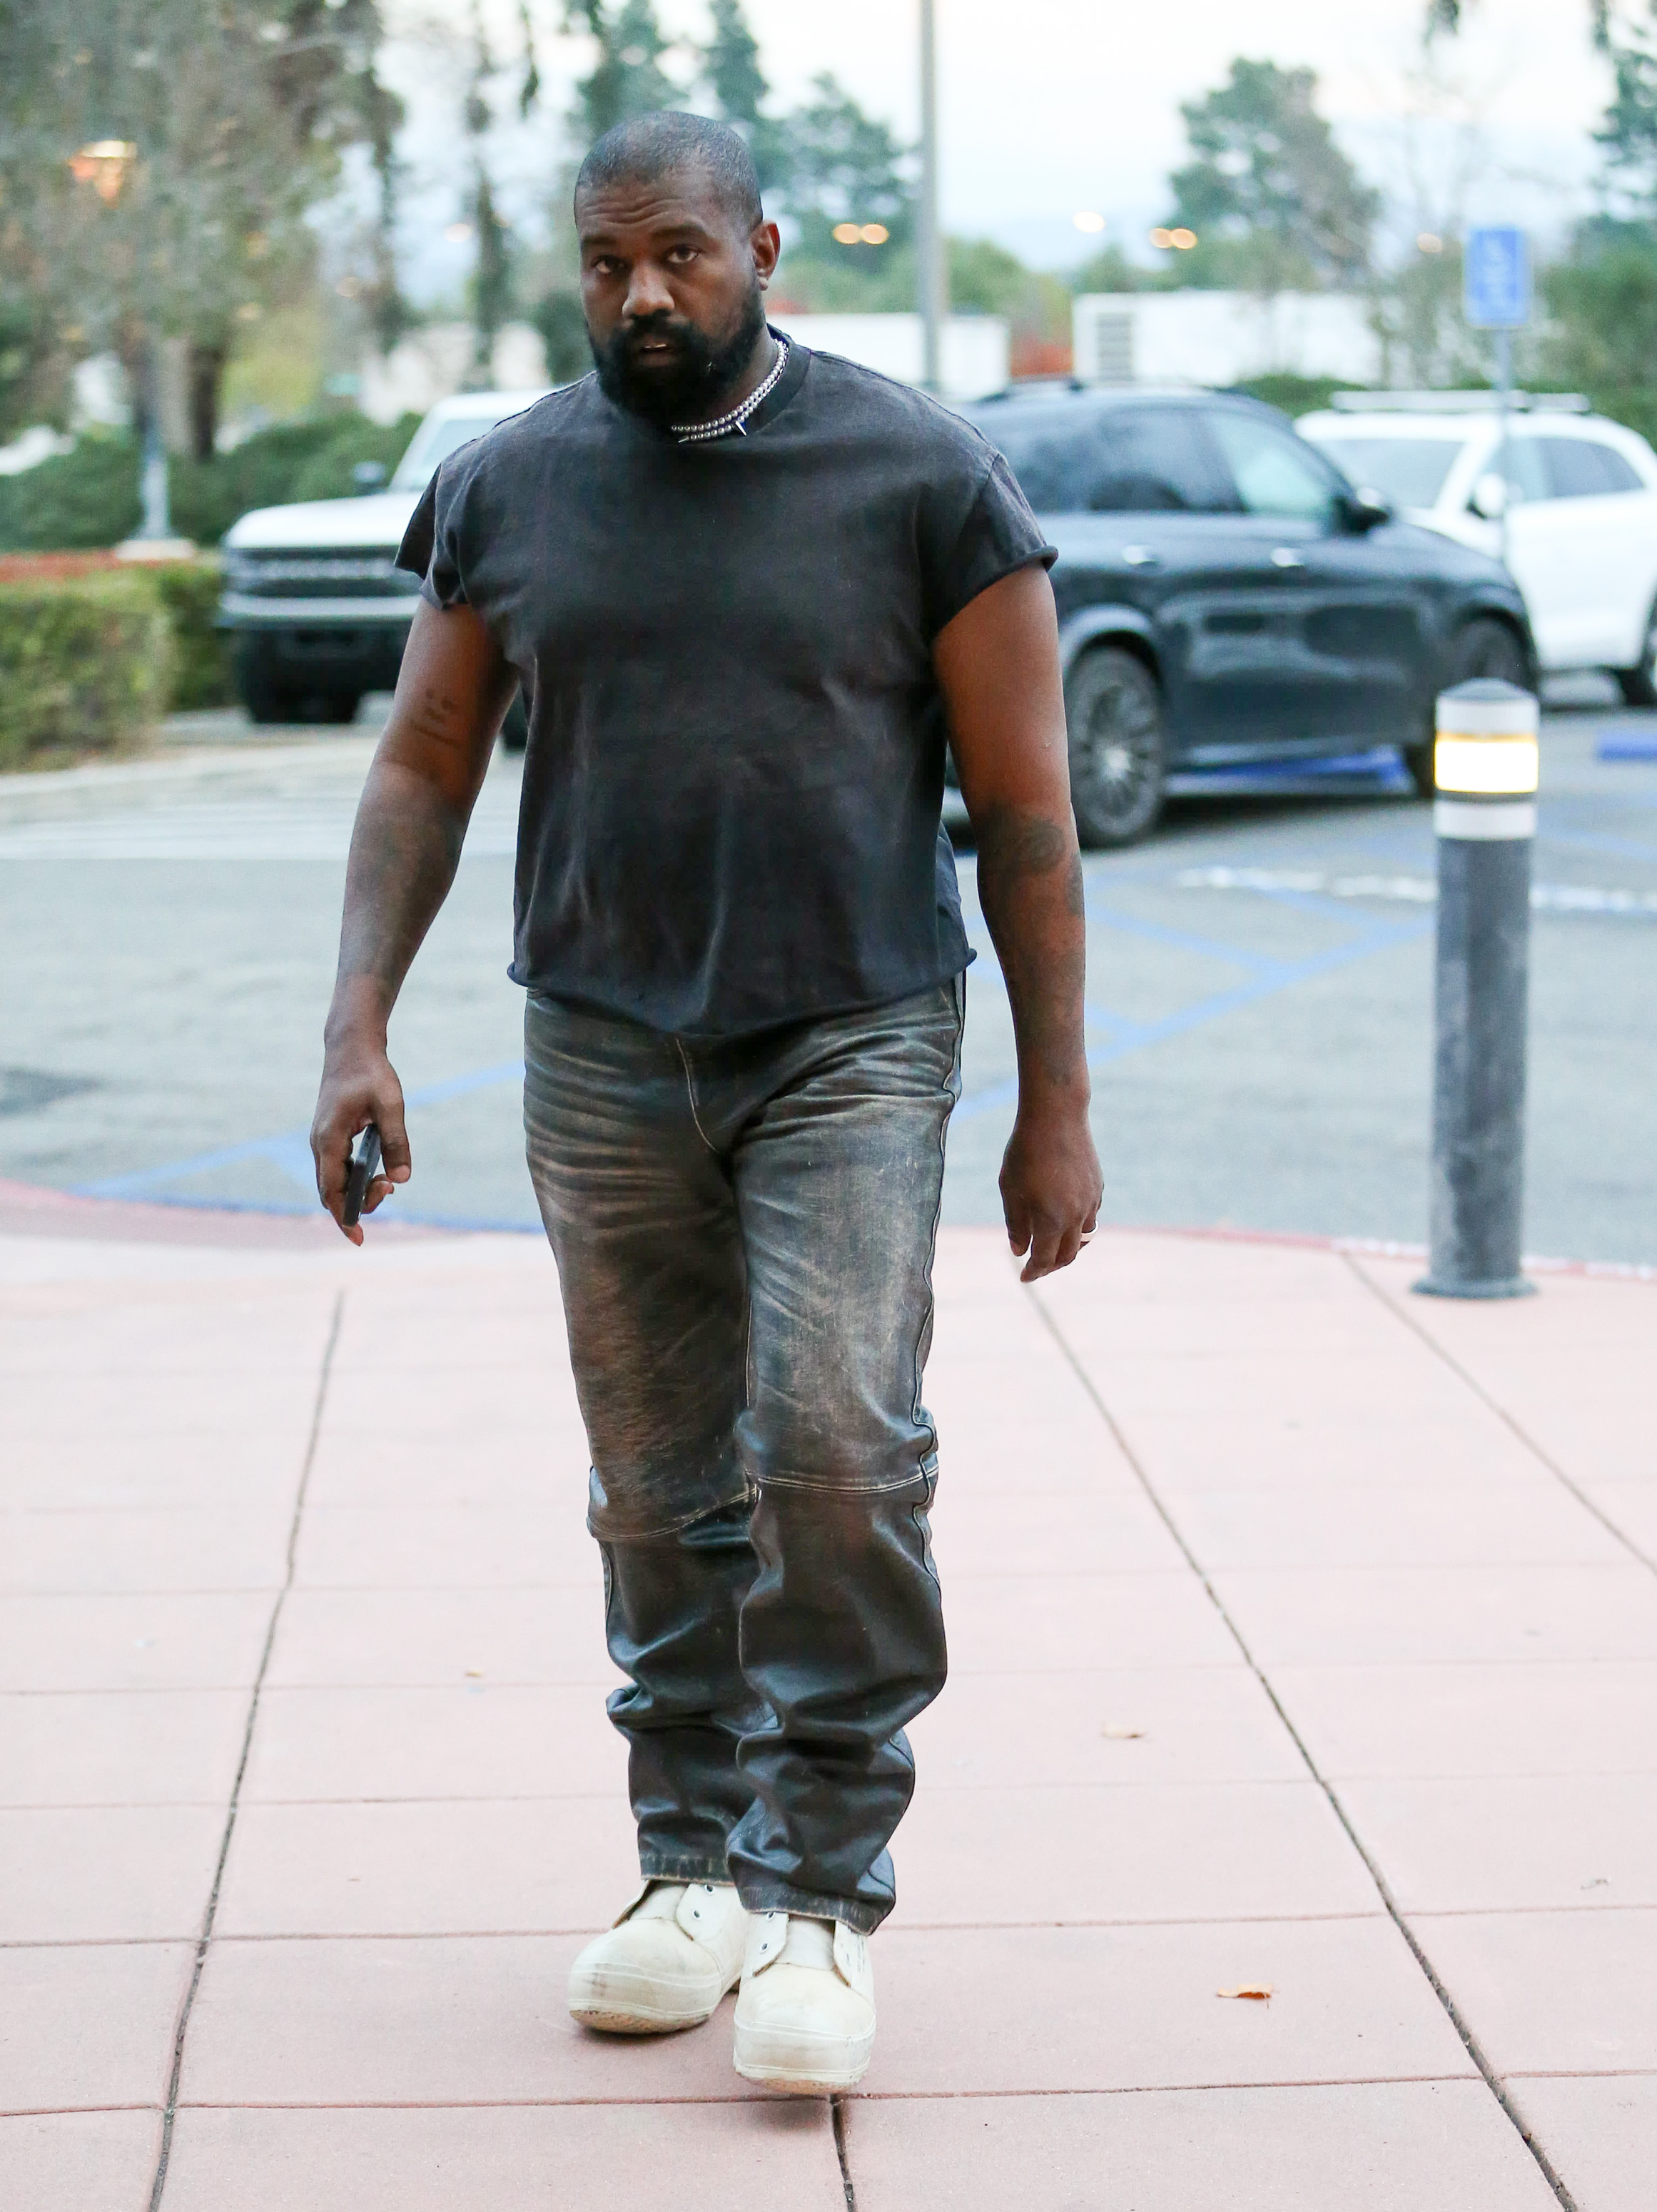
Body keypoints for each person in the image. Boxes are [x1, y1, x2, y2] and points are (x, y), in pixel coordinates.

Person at [309, 110, 1100, 2096]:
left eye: (677, 255)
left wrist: (1053, 1104)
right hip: (596, 1031)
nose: (640, 295)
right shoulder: (508, 482)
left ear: (762, 247)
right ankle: (690, 1869)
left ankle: (820, 1884)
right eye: (603, 262)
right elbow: (422, 766)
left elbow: (1023, 811)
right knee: (657, 1471)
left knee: (832, 1442)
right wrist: (357, 1027)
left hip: (850, 1028)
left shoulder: (920, 474)